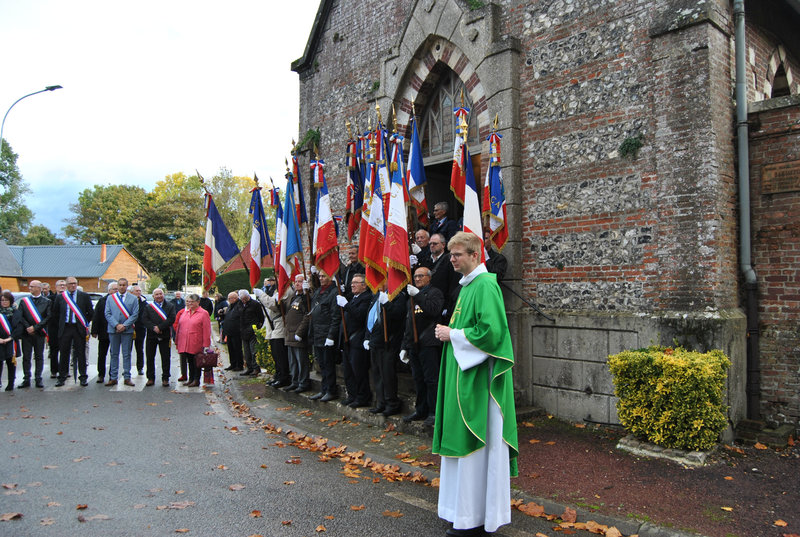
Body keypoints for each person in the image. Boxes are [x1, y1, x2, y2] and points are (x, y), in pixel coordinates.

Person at [432, 231, 518, 536]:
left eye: (457, 255)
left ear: (474, 254)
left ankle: (474, 518)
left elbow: (491, 333)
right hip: (462, 376)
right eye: (451, 254)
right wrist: (451, 332)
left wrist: (451, 334)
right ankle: (462, 512)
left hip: (478, 383)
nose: (451, 259)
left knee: (475, 444)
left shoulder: (485, 285)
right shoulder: (467, 286)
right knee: (461, 445)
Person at [402, 266, 445, 425]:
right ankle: (421, 410)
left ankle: (434, 412)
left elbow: (433, 310)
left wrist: (418, 295)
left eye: (421, 276)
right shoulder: (411, 297)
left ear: (429, 277)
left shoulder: (435, 293)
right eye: (415, 276)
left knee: (431, 380)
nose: (417, 279)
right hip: (414, 344)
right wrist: (404, 346)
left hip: (429, 343)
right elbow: (408, 322)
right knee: (418, 379)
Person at [365, 281, 407, 416]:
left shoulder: (398, 296)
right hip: (375, 340)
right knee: (377, 374)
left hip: (389, 340)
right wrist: (367, 336)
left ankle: (392, 403)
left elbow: (398, 315)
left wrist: (387, 303)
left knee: (387, 374)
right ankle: (381, 402)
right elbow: (370, 317)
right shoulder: (376, 296)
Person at [336, 273, 373, 408]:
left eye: (356, 282)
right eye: (352, 282)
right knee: (348, 371)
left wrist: (346, 305)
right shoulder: (353, 298)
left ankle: (363, 397)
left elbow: (359, 315)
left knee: (359, 371)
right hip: (347, 341)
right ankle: (352, 395)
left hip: (357, 340)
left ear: (364, 285)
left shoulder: (366, 298)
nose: (352, 285)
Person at [53, 277, 94, 387]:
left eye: (75, 283)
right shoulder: (61, 297)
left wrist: (84, 323)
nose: (73, 285)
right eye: (70, 284)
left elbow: (90, 312)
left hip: (78, 328)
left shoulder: (84, 296)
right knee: (64, 353)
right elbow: (56, 313)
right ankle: (62, 377)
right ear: (66, 285)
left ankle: (83, 377)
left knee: (81, 353)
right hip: (66, 328)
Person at [307, 269, 339, 402]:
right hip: (317, 334)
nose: (321, 278)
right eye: (319, 276)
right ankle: (324, 389)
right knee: (322, 365)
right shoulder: (318, 292)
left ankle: (331, 390)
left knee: (328, 364)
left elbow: (335, 316)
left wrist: (331, 336)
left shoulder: (334, 292)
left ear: (330, 277)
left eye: (323, 276)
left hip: (326, 334)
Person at [255, 277, 292, 389]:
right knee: (275, 353)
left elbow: (275, 305)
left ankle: (284, 377)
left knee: (280, 353)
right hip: (273, 324)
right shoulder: (277, 289)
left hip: (280, 323)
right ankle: (278, 374)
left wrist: (261, 295)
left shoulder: (287, 289)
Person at [104, 278, 140, 387]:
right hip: (113, 329)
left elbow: (135, 314)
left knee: (126, 354)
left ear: (127, 286)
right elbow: (107, 313)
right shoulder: (110, 298)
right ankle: (113, 377)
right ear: (117, 286)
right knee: (114, 354)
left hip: (127, 330)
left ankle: (127, 377)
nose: (122, 287)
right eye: (120, 285)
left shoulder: (133, 299)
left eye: (124, 285)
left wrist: (124, 325)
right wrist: (116, 324)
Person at [18, 280, 52, 389]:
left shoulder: (47, 301)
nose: (30, 288)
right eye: (30, 286)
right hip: (26, 333)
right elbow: (21, 316)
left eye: (32, 286)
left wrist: (35, 327)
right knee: (26, 357)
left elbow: (48, 317)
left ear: (39, 288)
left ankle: (38, 378)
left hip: (39, 333)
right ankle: (26, 378)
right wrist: (28, 327)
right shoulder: (24, 301)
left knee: (39, 356)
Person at [174, 293, 212, 388]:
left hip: (196, 341)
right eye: (188, 302)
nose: (190, 304)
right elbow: (180, 327)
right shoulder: (185, 312)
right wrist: (177, 340)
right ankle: (191, 379)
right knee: (189, 361)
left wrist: (206, 344)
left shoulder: (203, 313)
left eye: (192, 302)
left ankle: (196, 379)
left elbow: (207, 329)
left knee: (196, 362)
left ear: (198, 302)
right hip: (185, 341)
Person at [282, 274, 311, 393]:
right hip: (290, 334)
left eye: (300, 281)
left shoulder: (306, 298)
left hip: (298, 335)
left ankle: (303, 383)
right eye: (295, 281)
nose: (297, 283)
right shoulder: (293, 297)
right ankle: (295, 382)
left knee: (301, 361)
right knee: (292, 361)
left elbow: (307, 316)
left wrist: (300, 332)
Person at [142, 288, 176, 386]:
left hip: (164, 335)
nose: (159, 296)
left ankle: (165, 378)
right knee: (150, 357)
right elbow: (145, 319)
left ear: (163, 294)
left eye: (160, 294)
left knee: (165, 357)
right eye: (156, 294)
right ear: (153, 296)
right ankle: (150, 378)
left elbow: (172, 318)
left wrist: (160, 327)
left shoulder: (170, 306)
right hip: (151, 336)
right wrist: (154, 328)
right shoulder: (148, 307)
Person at [428, 233, 461, 323]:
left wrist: (448, 306)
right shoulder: (426, 260)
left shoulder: (449, 260)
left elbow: (453, 284)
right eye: (430, 244)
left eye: (435, 243)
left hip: (443, 304)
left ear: (443, 245)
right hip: (428, 303)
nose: (432, 246)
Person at [91, 281, 118, 384]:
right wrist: (94, 331)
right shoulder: (102, 301)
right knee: (102, 355)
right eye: (114, 289)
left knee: (114, 354)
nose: (116, 291)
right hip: (104, 332)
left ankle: (113, 375)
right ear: (109, 290)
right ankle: (101, 374)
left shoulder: (119, 301)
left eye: (117, 289)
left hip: (116, 332)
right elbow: (96, 316)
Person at [238, 289, 264, 377]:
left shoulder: (255, 304)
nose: (243, 301)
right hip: (243, 330)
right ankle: (249, 368)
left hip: (252, 330)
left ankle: (256, 368)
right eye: (242, 299)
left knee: (253, 351)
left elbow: (261, 317)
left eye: (245, 299)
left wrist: (257, 327)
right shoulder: (240, 304)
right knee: (246, 351)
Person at [0, 292, 23, 391]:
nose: (4, 302)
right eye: (2, 300)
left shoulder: (16, 312)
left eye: (6, 300)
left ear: (11, 301)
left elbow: (19, 327)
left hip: (11, 341)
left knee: (11, 363)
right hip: (0, 341)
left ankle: (11, 383)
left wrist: (10, 338)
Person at [46, 280, 66, 378]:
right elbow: (49, 313)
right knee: (54, 350)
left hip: (65, 328)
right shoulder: (50, 299)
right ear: (56, 287)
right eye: (60, 285)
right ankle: (54, 371)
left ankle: (64, 370)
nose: (62, 287)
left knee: (65, 350)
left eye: (64, 285)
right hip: (54, 328)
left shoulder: (68, 298)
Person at [222, 292, 244, 372]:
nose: (229, 300)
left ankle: (239, 364)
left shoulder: (239, 305)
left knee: (237, 348)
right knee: (230, 348)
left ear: (234, 298)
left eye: (230, 298)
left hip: (236, 331)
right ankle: (233, 363)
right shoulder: (230, 306)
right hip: (229, 331)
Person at [131, 284, 147, 375]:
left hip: (140, 329)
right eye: (137, 291)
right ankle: (127, 369)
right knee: (127, 350)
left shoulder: (144, 302)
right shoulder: (128, 301)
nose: (138, 292)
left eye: (140, 291)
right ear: (132, 292)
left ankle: (140, 367)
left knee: (139, 349)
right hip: (129, 328)